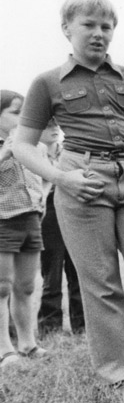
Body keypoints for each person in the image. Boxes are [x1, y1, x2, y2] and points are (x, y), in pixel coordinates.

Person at [11, 0, 124, 385]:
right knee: (101, 282)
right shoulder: (47, 83)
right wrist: (61, 177)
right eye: (88, 25)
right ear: (66, 29)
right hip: (81, 180)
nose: (98, 33)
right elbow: (21, 145)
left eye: (106, 26)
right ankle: (120, 372)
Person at [0, 91, 49, 369]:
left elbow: (46, 174)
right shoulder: (6, 145)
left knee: (27, 286)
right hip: (3, 220)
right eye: (14, 112)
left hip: (30, 219)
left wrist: (40, 200)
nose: (21, 118)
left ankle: (27, 342)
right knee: (2, 287)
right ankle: (5, 349)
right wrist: (6, 151)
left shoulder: (33, 145)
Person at [37, 123, 85, 336]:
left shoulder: (70, 150)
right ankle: (50, 327)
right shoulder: (33, 153)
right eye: (48, 125)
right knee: (52, 273)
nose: (54, 128)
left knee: (77, 270)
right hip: (48, 212)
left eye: (56, 124)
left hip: (73, 208)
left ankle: (82, 325)